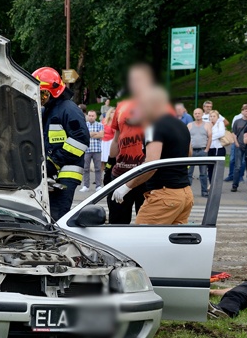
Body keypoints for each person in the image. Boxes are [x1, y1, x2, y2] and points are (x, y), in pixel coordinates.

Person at [112, 86, 193, 225]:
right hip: (184, 193)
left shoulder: (153, 127)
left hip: (164, 196)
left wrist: (126, 186)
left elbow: (151, 165)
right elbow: (189, 153)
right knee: (170, 243)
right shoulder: (180, 125)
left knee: (142, 241)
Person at [33, 66, 89, 220]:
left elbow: (80, 140)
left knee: (57, 217)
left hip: (66, 174)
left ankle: (57, 244)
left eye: (43, 94)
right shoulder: (49, 111)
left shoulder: (69, 109)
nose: (40, 98)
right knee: (47, 217)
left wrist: (54, 162)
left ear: (54, 91)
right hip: (52, 173)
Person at [105, 64, 155, 223]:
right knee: (117, 222)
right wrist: (109, 165)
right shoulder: (121, 106)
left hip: (145, 175)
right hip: (121, 173)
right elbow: (116, 139)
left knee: (146, 226)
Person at [186, 108, 211, 197]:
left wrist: (207, 149)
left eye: (199, 113)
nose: (197, 115)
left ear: (202, 114)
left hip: (202, 151)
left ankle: (204, 191)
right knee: (189, 173)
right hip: (191, 152)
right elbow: (187, 139)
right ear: (193, 114)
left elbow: (210, 137)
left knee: (203, 173)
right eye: (195, 113)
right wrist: (189, 151)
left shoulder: (207, 125)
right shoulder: (189, 125)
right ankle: (187, 192)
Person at [230, 104, 247, 191]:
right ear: (242, 111)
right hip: (239, 146)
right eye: (246, 111)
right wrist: (236, 143)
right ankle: (235, 185)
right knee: (238, 166)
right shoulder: (237, 121)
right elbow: (234, 133)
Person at [80, 109, 104, 191]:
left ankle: (98, 185)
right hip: (87, 149)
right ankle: (86, 186)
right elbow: (84, 135)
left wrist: (90, 134)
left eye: (92, 116)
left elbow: (101, 135)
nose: (91, 117)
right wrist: (95, 133)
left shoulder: (100, 125)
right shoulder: (84, 125)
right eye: (89, 115)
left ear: (96, 116)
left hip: (97, 149)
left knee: (98, 168)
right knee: (85, 168)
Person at [207, 109, 228, 183]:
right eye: (211, 116)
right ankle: (211, 183)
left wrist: (210, 138)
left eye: (214, 116)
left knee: (218, 168)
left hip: (218, 148)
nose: (212, 117)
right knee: (210, 167)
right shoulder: (207, 124)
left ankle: (217, 184)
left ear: (217, 117)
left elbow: (221, 133)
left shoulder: (220, 123)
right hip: (210, 148)